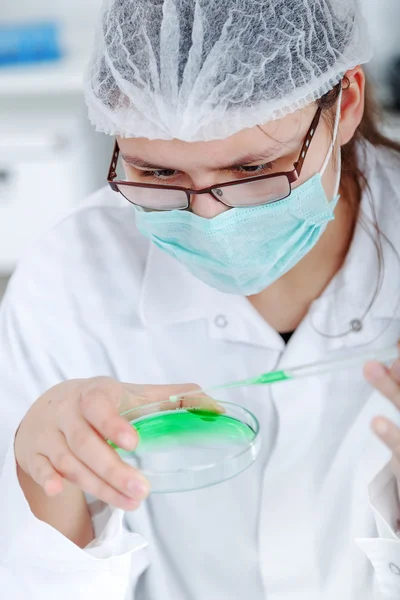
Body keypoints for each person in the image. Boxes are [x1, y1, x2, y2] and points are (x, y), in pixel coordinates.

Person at [1, 0, 400, 598]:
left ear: (343, 104)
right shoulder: (69, 278)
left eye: (253, 168)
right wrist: (48, 488)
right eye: (158, 175)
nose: (211, 216)